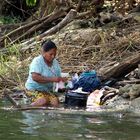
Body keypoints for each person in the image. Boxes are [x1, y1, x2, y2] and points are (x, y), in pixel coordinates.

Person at [25, 40, 67, 107]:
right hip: (33, 89)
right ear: (43, 52)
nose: (53, 56)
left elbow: (59, 80)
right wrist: (53, 79)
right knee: (42, 101)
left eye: (54, 54)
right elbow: (35, 77)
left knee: (55, 102)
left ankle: (49, 116)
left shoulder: (55, 63)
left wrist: (64, 86)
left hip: (47, 91)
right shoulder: (37, 61)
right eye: (51, 54)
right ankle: (27, 108)